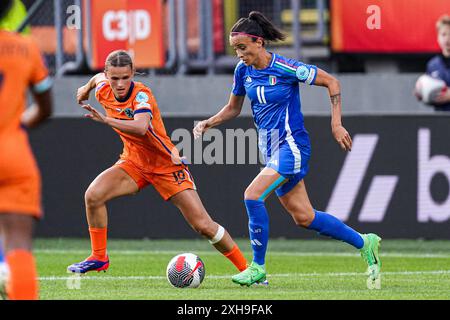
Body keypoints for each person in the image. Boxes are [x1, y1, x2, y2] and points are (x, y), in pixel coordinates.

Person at [193, 11, 382, 289]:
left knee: (252, 195)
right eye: (236, 49)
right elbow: (234, 108)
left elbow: (332, 82)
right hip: (270, 151)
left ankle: (257, 268)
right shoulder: (242, 71)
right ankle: (365, 242)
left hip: (292, 147)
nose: (240, 54)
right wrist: (211, 122)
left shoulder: (285, 68)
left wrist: (336, 123)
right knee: (304, 217)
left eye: (243, 48)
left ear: (259, 42)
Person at [67, 50, 248, 276]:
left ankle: (248, 270)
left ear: (133, 73)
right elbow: (96, 79)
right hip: (133, 162)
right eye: (115, 78)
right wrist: (86, 89)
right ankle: (99, 257)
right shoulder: (104, 88)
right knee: (93, 195)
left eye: (126, 77)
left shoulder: (142, 95)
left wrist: (105, 120)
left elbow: (141, 127)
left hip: (166, 165)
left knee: (203, 225)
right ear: (108, 75)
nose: (120, 83)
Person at [0, 0, 53, 300]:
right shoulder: (25, 48)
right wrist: (15, 125)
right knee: (18, 243)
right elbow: (45, 108)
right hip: (12, 154)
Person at [421, 14, 450, 111]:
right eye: (444, 34)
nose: (447, 39)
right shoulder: (432, 65)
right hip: (440, 120)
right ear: (438, 38)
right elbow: (429, 94)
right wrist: (421, 92)